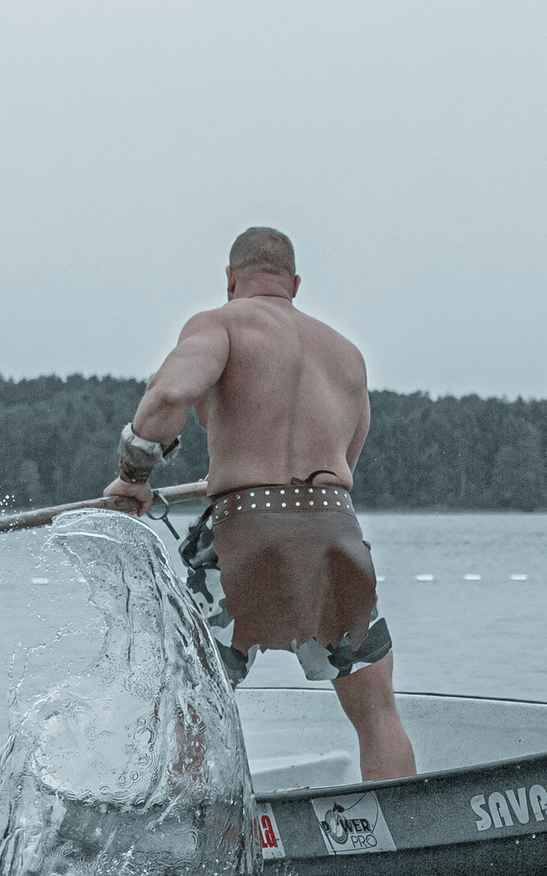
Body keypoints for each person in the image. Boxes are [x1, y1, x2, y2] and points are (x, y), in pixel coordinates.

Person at [104, 227, 417, 780]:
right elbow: (346, 461)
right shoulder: (347, 355)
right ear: (295, 284)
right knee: (376, 712)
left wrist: (134, 476)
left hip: (243, 535)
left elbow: (169, 394)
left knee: (193, 708)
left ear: (230, 279)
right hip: (333, 532)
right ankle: (399, 838)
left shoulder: (220, 323)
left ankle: (193, 847)